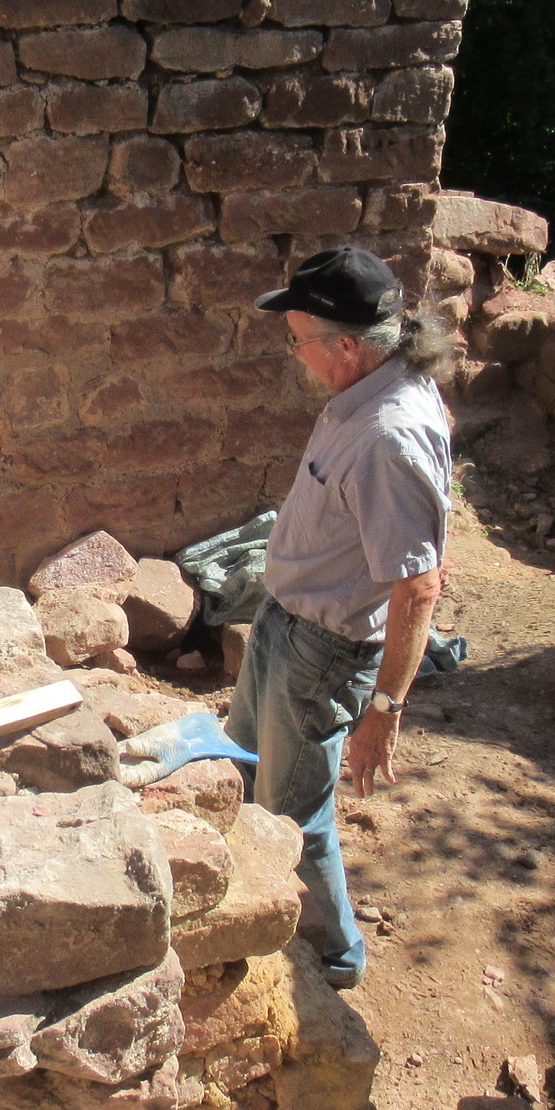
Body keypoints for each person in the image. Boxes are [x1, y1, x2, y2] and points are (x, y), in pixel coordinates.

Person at [225, 246, 455, 990]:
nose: (295, 355)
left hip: (322, 651)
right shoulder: (368, 391)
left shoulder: (388, 437)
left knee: (293, 816)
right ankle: (254, 895)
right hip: (287, 621)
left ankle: (329, 954)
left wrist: (384, 710)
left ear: (349, 346)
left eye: (300, 341)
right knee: (246, 763)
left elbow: (419, 586)